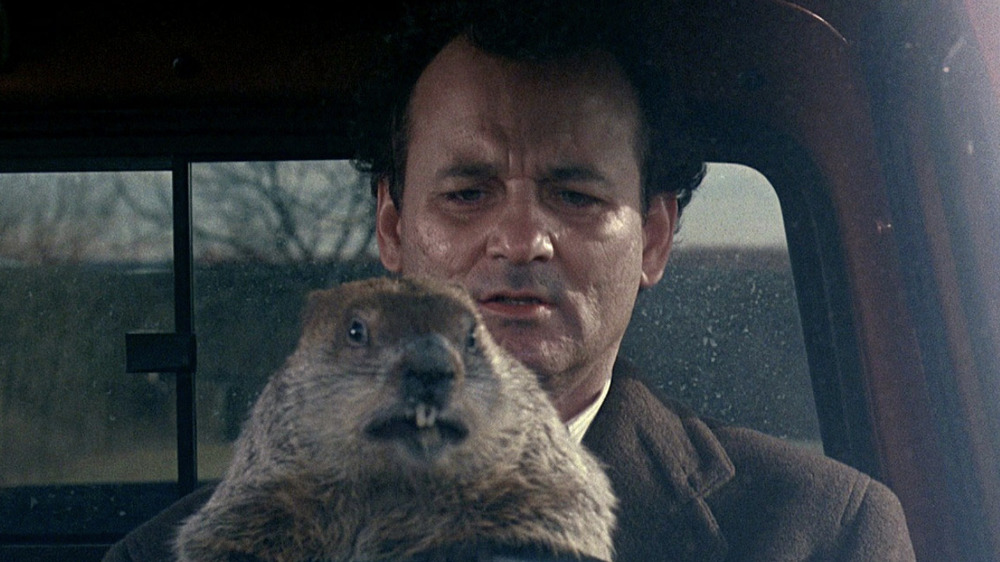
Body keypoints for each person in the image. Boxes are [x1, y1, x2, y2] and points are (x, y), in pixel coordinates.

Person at [104, 1, 915, 560]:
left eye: (575, 194)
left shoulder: (824, 533)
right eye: (467, 194)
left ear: (656, 236)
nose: (523, 239)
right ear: (392, 225)